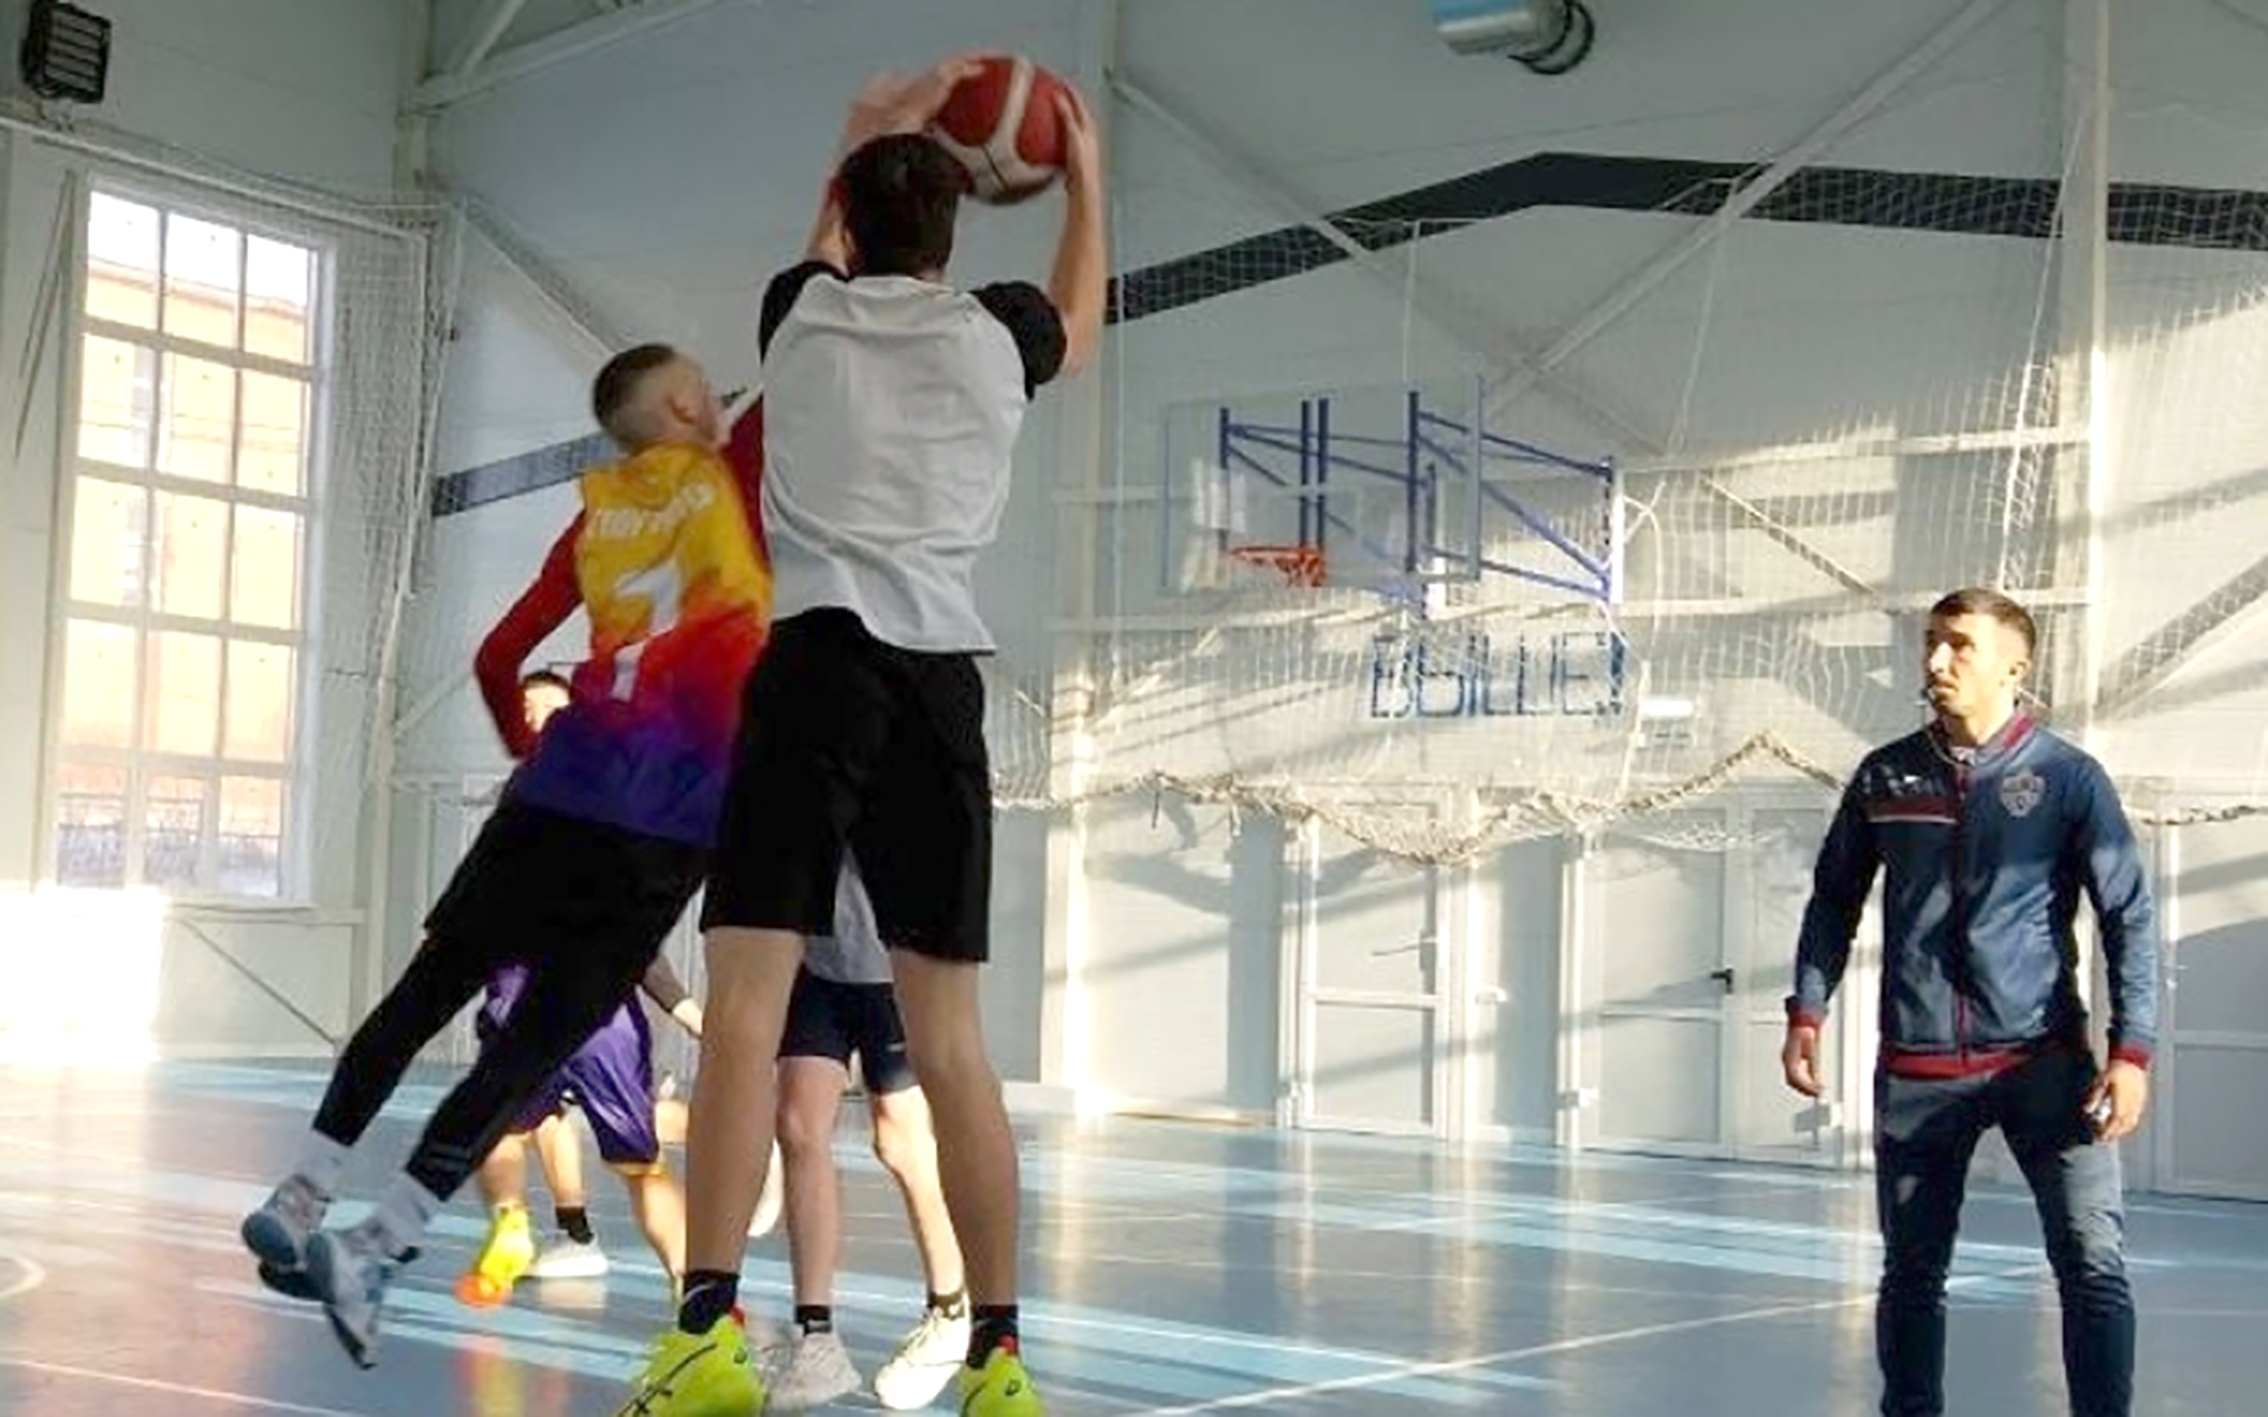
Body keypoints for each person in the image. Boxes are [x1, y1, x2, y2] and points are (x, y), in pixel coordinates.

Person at [618, 55, 1106, 1417]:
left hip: (814, 674)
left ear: (853, 216)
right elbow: (1082, 315)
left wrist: (877, 124)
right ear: (955, 233)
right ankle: (998, 1361)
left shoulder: (802, 318)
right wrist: (1087, 175)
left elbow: (828, 230)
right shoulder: (1000, 336)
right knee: (950, 1043)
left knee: (744, 1019)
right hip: (936, 687)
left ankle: (706, 1335)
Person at [239, 345, 770, 1367]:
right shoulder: (727, 486)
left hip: (554, 793)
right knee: (526, 1050)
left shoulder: (598, 516)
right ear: (680, 405)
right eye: (703, 387)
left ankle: (303, 1189)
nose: (718, 398)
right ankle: (379, 1241)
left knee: (425, 992)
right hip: (660, 824)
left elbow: (497, 657)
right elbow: (808, 343)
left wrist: (533, 749)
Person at [1783, 586, 2160, 1417]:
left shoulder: (2068, 778)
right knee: (1912, 1273)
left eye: (1959, 644)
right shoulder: (1886, 774)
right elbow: (1833, 900)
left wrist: (2131, 1051)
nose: (1935, 659)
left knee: (2093, 1265)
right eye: (1930, 641)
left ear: (2013, 667)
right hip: (1918, 1071)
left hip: (2044, 1065)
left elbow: (2128, 915)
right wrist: (1807, 1007)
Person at [766, 859, 970, 1412]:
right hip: (815, 961)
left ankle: (950, 1310)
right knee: (798, 1124)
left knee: (900, 1142)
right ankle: (817, 1338)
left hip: (896, 966)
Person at [455, 951, 704, 1306]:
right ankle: (690, 1289)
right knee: (642, 1169)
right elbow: (643, 953)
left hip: (519, 1012)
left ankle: (510, 1220)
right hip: (605, 1022)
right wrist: (693, 1017)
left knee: (500, 1133)